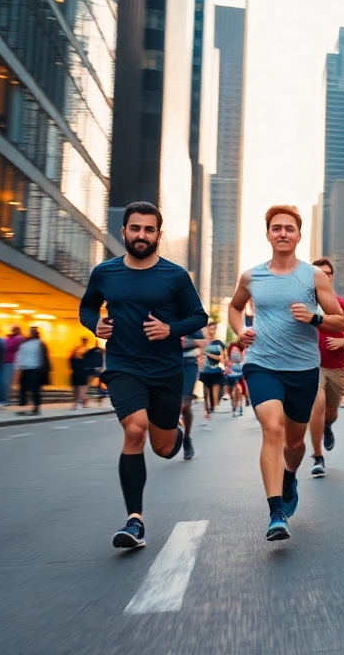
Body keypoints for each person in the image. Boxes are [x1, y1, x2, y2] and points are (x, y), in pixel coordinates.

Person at [78, 201, 207, 549]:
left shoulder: (175, 276)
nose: (141, 235)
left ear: (158, 235)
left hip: (165, 370)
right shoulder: (105, 273)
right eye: (135, 228)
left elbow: (199, 317)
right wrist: (96, 325)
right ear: (124, 232)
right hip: (123, 365)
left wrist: (170, 329)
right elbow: (87, 307)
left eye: (149, 229)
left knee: (163, 448)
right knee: (134, 430)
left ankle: (175, 434)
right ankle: (135, 520)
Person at [228, 205, 344, 541]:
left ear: (298, 235)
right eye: (276, 228)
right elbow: (235, 307)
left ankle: (290, 476)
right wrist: (240, 330)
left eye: (289, 228)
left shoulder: (313, 276)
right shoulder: (252, 276)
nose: (282, 233)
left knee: (295, 443)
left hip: (303, 369)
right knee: (273, 428)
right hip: (262, 363)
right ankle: (276, 511)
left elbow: (340, 320)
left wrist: (314, 318)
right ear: (267, 234)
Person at [308, 257, 344, 477]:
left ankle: (328, 426)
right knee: (316, 406)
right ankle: (318, 457)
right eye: (320, 272)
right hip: (310, 364)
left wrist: (343, 341)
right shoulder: (303, 303)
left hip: (336, 364)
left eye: (329, 273)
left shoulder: (342, 304)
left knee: (331, 411)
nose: (325, 276)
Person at [179, 329, 204, 459]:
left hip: (188, 364)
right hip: (164, 363)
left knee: (184, 405)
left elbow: (205, 342)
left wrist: (187, 341)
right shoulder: (157, 314)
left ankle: (186, 438)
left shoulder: (188, 317)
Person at [15, 326, 50, 416]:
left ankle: (36, 407)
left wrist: (43, 372)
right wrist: (17, 368)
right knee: (23, 389)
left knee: (34, 389)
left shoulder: (40, 344)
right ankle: (23, 407)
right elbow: (19, 356)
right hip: (25, 368)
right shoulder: (24, 343)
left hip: (35, 369)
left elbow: (44, 358)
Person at [199, 323, 225, 421]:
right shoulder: (202, 342)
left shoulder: (219, 343)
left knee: (215, 391)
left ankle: (214, 411)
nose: (211, 331)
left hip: (216, 371)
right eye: (209, 328)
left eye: (213, 329)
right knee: (206, 392)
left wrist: (208, 354)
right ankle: (208, 413)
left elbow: (222, 358)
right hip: (204, 371)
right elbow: (199, 356)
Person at [1, 325, 25, 409]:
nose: (12, 331)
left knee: (6, 382)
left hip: (10, 362)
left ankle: (5, 400)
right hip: (4, 362)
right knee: (3, 382)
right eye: (12, 329)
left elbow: (8, 347)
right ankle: (3, 400)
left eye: (14, 329)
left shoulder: (19, 338)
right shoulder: (8, 338)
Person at [226, 342, 248, 416]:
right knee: (234, 389)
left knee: (238, 389)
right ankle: (236, 406)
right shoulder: (233, 346)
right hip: (232, 371)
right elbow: (229, 358)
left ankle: (238, 406)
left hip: (239, 371)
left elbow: (244, 360)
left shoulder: (245, 349)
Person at [70, 338, 91, 410]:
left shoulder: (86, 351)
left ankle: (79, 402)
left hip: (82, 371)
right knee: (77, 388)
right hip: (77, 371)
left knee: (81, 388)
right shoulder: (81, 349)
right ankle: (81, 401)